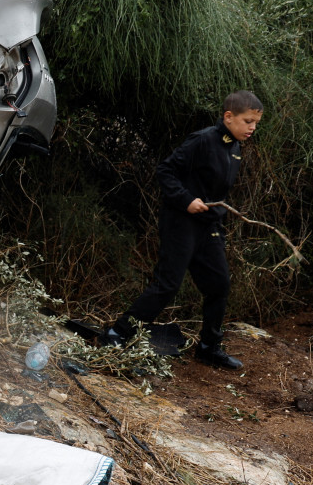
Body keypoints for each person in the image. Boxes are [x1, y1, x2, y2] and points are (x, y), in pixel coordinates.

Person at [104, 90, 264, 369]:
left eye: (255, 123)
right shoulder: (202, 140)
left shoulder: (235, 148)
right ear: (228, 117)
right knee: (167, 285)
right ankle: (117, 333)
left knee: (219, 285)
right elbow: (165, 171)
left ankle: (208, 347)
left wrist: (215, 221)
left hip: (209, 227)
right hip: (181, 222)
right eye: (247, 121)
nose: (252, 128)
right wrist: (186, 200)